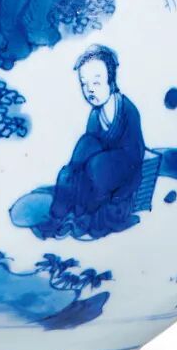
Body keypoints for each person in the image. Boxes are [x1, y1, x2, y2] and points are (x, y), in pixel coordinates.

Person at [35, 45, 145, 240]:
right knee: (81, 151)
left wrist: (102, 164)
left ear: (111, 81)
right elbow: (89, 148)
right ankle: (57, 216)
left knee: (96, 165)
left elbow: (135, 155)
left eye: (96, 82)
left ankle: (86, 216)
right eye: (84, 84)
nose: (90, 89)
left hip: (123, 174)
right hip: (98, 172)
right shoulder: (96, 115)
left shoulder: (127, 110)